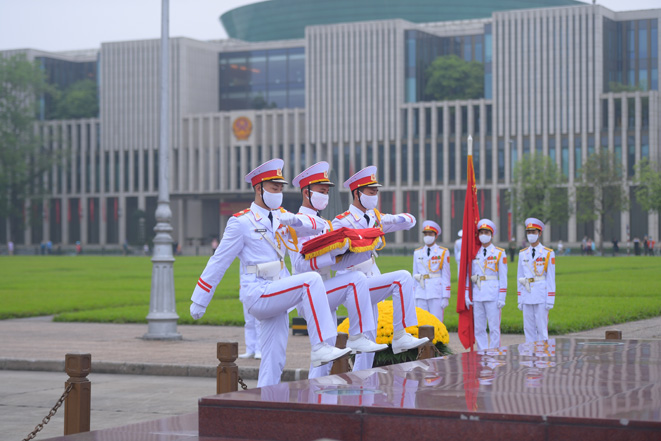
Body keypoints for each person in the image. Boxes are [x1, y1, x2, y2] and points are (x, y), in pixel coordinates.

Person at [189, 159, 350, 387]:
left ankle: (265, 400)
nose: (278, 193)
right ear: (259, 189)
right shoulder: (241, 222)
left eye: (281, 188)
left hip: (277, 292)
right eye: (274, 188)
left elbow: (317, 224)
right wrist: (200, 299)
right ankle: (321, 345)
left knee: (274, 360)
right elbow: (218, 261)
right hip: (258, 291)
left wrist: (293, 219)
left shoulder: (281, 217)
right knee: (311, 281)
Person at [285, 161, 388, 378]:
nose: (326, 196)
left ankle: (319, 393)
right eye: (321, 191)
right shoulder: (298, 223)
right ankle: (357, 338)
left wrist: (361, 249)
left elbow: (336, 263)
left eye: (327, 192)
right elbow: (300, 264)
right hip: (307, 292)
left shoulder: (324, 223)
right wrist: (333, 254)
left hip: (325, 288)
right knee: (323, 353)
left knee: (327, 351)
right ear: (306, 192)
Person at [332, 165, 429, 371]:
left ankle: (361, 382)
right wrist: (363, 239)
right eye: (370, 192)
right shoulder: (342, 222)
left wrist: (389, 220)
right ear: (357, 193)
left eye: (376, 191)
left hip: (371, 282)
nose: (374, 196)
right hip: (353, 285)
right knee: (402, 278)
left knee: (369, 342)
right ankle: (400, 335)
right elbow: (335, 259)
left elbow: (410, 221)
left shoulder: (375, 218)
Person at [464, 219, 507, 350]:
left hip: (493, 293)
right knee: (479, 327)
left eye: (486, 232)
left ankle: (493, 352)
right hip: (477, 293)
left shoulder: (499, 252)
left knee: (494, 327)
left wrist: (502, 297)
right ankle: (481, 352)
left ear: (491, 235)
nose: (483, 235)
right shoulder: (474, 252)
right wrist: (467, 293)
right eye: (481, 232)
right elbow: (468, 274)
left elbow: (503, 277)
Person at [517, 218, 556, 343]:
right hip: (527, 294)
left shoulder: (548, 253)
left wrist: (550, 299)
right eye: (528, 232)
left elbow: (551, 277)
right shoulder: (523, 254)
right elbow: (520, 277)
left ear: (539, 233)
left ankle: (542, 354)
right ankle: (530, 353)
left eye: (533, 232)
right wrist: (520, 298)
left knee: (541, 328)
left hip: (541, 294)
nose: (531, 235)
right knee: (528, 328)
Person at [412, 220, 451, 322]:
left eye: (430, 234)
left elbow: (446, 275)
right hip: (420, 291)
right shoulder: (417, 253)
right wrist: (413, 295)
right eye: (426, 234)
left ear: (436, 236)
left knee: (436, 321)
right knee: (422, 321)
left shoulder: (443, 252)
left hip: (436, 291)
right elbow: (414, 274)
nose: (427, 236)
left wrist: (446, 296)